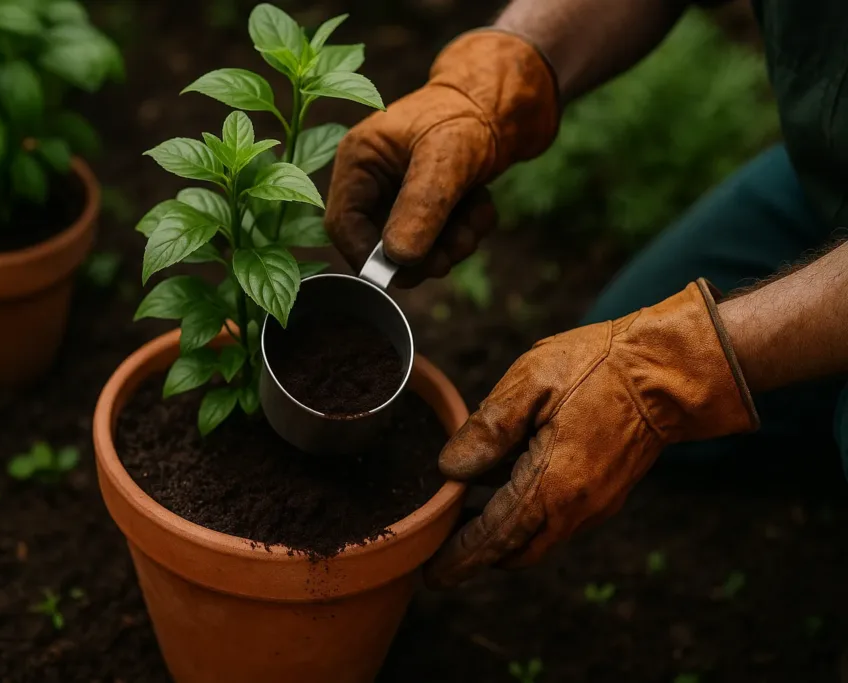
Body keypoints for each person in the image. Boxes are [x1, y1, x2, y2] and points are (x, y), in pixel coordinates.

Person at [323, 0, 848, 589]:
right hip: (824, 170)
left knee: (679, 392)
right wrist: (492, 80)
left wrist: (670, 369)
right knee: (619, 403)